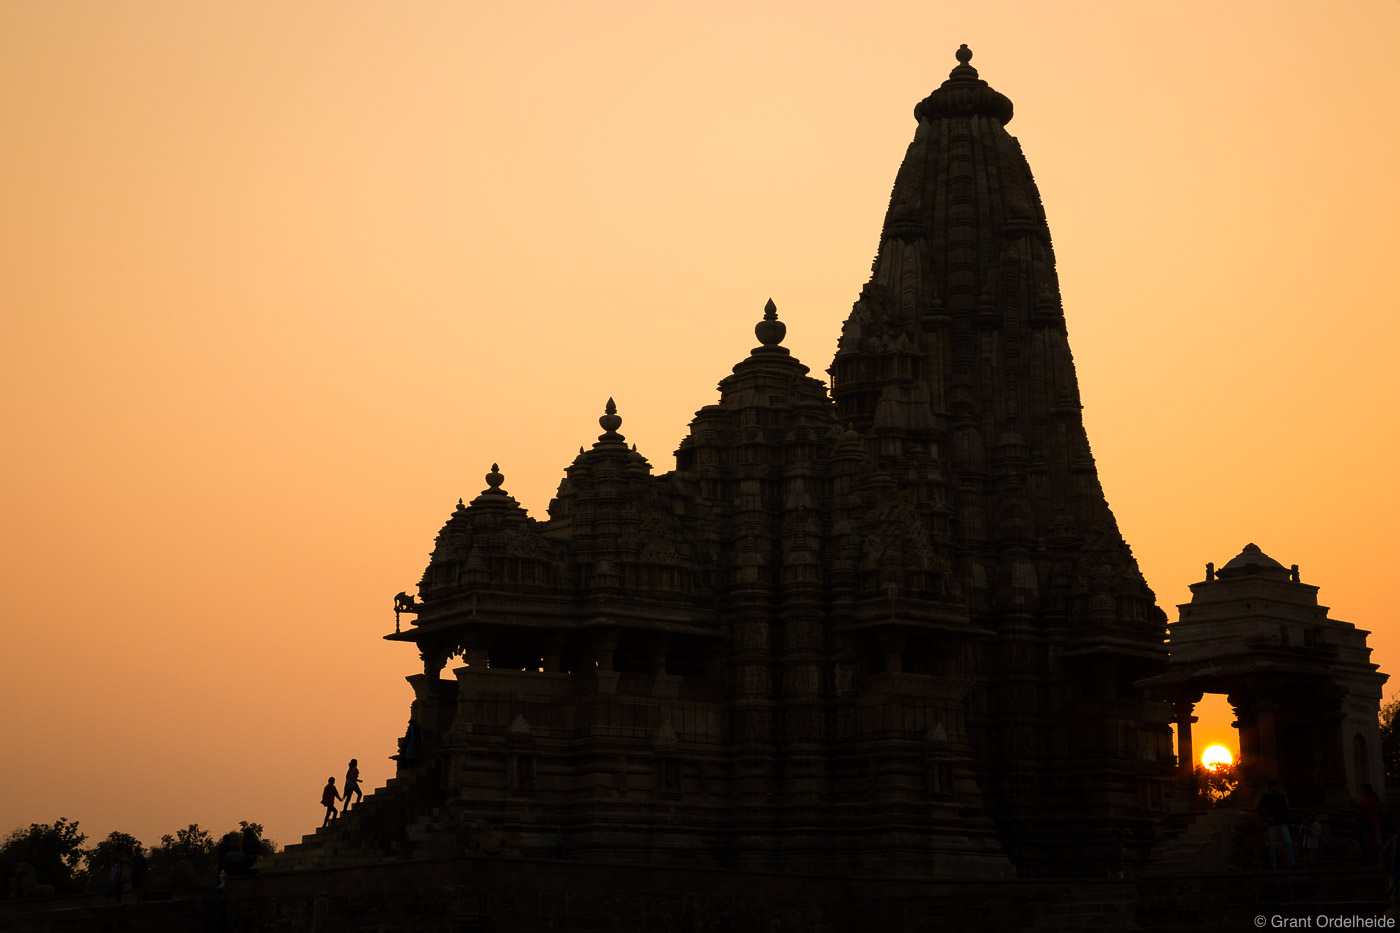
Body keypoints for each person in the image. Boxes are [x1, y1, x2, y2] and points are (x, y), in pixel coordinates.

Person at [1257, 781, 1295, 868]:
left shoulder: (1280, 797)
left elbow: (1285, 810)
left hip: (1282, 823)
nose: (1278, 789)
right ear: (1271, 787)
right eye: (1276, 787)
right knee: (1272, 846)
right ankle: (1274, 864)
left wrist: (1288, 822)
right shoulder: (1265, 798)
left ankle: (1291, 862)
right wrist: (1267, 818)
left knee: (1288, 843)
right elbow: (1260, 810)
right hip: (1272, 824)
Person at [1363, 784, 1383, 867]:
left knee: (1372, 844)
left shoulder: (1370, 799)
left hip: (1370, 824)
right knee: (1372, 844)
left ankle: (1374, 861)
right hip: (1371, 824)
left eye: (1363, 790)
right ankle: (1374, 861)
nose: (1362, 792)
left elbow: (1367, 811)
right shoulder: (1370, 798)